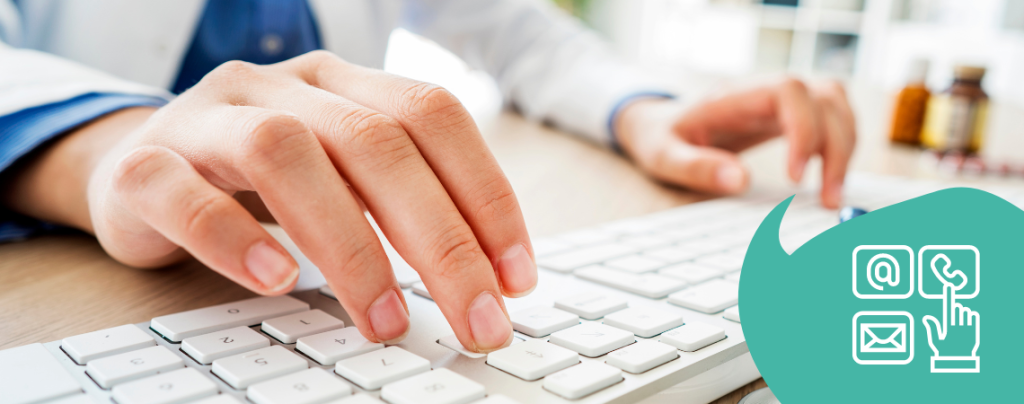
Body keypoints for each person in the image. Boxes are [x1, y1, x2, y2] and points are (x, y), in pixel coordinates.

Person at [0, 0, 855, 353]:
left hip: (321, 272)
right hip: (74, 281)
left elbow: (523, 34)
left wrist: (641, 110)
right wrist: (110, 153)